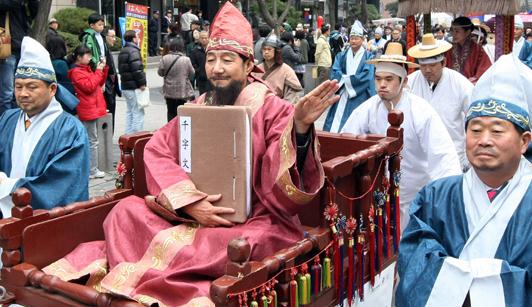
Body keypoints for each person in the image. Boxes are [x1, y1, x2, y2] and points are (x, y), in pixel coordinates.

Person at [41, 3, 339, 305]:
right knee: (123, 212)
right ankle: (162, 277)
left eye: (227, 60)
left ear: (249, 66)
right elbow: (157, 149)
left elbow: (282, 190)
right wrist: (191, 203)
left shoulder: (276, 110)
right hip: (189, 215)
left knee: (245, 243)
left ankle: (159, 278)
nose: (217, 68)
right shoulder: (197, 107)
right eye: (211, 59)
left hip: (252, 220)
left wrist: (299, 127)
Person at [396, 54, 532, 307]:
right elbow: (414, 262)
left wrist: (464, 285)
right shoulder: (436, 196)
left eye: (498, 130)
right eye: (476, 129)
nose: (484, 140)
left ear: (524, 141)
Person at [341, 42, 461, 232]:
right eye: (378, 78)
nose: (382, 84)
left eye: (389, 79)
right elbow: (345, 140)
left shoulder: (420, 111)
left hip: (415, 196)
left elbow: (443, 157)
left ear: (404, 82)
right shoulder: (368, 109)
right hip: (379, 196)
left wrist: (448, 199)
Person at [0, 37, 89, 216]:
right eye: (18, 87)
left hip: (44, 226)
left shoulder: (70, 129)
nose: (23, 93)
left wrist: (7, 185)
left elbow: (62, 185)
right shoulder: (7, 118)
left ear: (52, 89)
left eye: (32, 87)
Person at [408, 34, 474, 170]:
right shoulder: (410, 82)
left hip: (453, 153)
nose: (427, 70)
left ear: (443, 63)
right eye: (423, 66)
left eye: (432, 65)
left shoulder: (460, 83)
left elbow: (474, 117)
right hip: (419, 156)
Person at [323, 22, 376, 133]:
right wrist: (346, 81)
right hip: (343, 92)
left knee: (358, 124)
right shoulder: (341, 55)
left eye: (356, 38)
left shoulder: (369, 57)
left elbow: (367, 76)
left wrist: (346, 80)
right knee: (335, 124)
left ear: (362, 40)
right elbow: (335, 71)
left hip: (360, 95)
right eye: (351, 38)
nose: (353, 41)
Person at [68, 45, 109, 179]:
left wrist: (103, 69)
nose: (90, 57)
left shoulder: (86, 69)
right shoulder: (76, 72)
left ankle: (90, 169)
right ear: (79, 57)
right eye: (87, 55)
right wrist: (98, 71)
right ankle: (92, 170)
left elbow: (98, 82)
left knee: (91, 140)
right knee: (92, 141)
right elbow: (89, 87)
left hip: (93, 107)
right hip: (87, 108)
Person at [0, 0, 39, 115]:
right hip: (6, 49)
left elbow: (33, 12)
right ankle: (6, 122)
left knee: (20, 89)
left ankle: (17, 118)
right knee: (7, 93)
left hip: (21, 46)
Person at [253, 34, 303, 104]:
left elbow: (293, 93)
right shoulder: (257, 69)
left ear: (276, 51)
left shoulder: (286, 70)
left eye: (269, 49)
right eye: (264, 49)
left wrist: (283, 107)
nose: (266, 52)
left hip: (279, 107)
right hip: (259, 106)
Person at [157, 37, 195, 122]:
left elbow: (160, 73)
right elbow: (192, 73)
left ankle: (170, 130)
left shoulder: (165, 58)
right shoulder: (186, 59)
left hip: (169, 91)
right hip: (182, 91)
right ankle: (180, 131)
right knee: (181, 112)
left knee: (170, 112)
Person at [445, 16, 491, 84]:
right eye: (452, 30)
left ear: (467, 32)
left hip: (471, 87)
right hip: (451, 85)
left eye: (457, 31)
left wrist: (468, 83)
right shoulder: (449, 49)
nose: (453, 34)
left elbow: (485, 70)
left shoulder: (478, 50)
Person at [118, 30, 147, 134]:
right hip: (134, 86)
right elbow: (137, 69)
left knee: (130, 111)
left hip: (126, 86)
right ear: (134, 39)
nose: (138, 39)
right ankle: (135, 137)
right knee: (138, 112)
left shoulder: (123, 50)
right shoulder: (133, 51)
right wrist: (142, 83)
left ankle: (128, 136)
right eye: (137, 37)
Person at [102, 28, 122, 132]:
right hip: (107, 89)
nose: (114, 39)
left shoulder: (107, 50)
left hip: (111, 88)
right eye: (112, 36)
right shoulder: (103, 50)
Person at [190, 30, 212, 95]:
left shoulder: (212, 50)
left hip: (212, 78)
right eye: (202, 38)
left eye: (206, 38)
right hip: (201, 78)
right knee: (202, 96)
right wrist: (198, 71)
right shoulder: (195, 50)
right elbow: (193, 63)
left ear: (209, 38)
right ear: (199, 39)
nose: (204, 40)